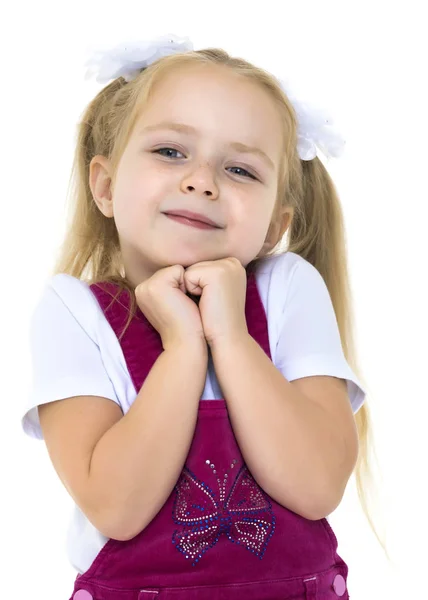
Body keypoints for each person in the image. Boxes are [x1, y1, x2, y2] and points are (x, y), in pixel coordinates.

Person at [21, 34, 379, 600]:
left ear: (275, 224)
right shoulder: (73, 314)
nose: (202, 180)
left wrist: (230, 337)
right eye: (170, 151)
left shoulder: (289, 289)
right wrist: (183, 346)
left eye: (241, 170)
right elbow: (117, 506)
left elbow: (317, 485)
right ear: (106, 185)